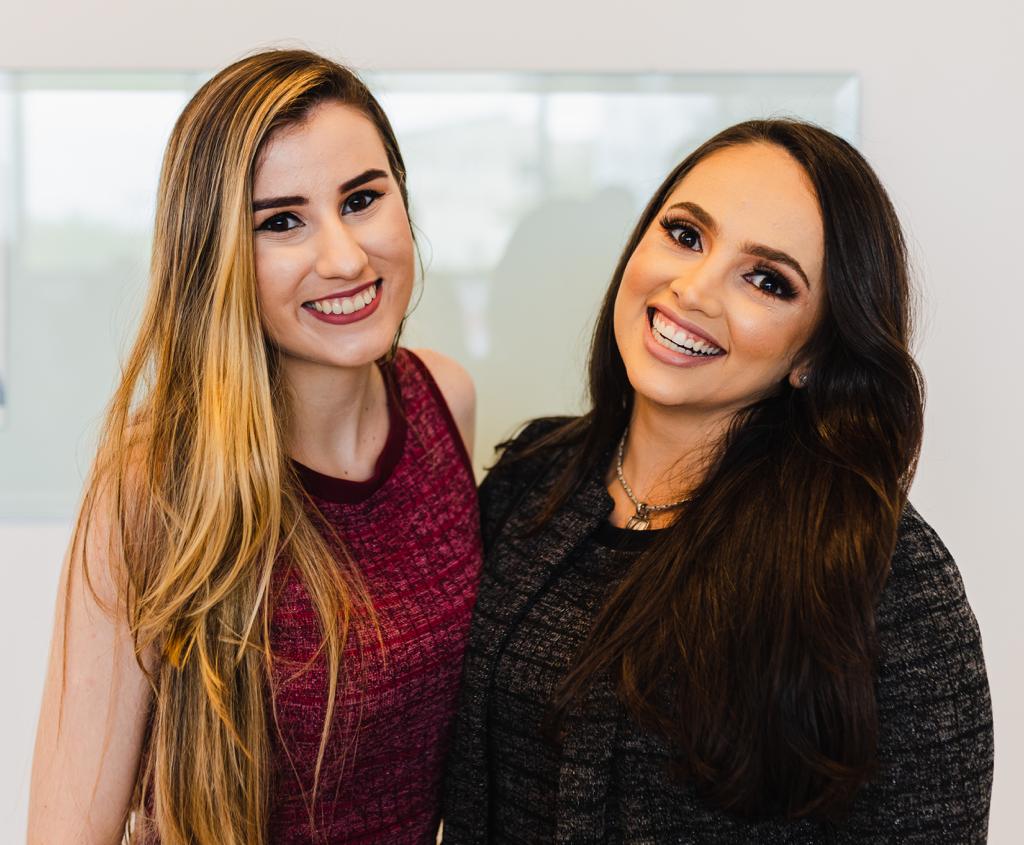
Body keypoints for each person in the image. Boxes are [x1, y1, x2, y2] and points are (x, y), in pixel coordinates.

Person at [443, 119, 993, 842]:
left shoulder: (885, 571)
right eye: (685, 234)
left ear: (814, 354)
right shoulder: (531, 477)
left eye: (767, 280)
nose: (694, 290)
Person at [28, 50, 480, 845]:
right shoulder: (151, 485)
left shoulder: (446, 400)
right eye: (281, 221)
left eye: (362, 199)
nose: (344, 257)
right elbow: (68, 830)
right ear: (216, 257)